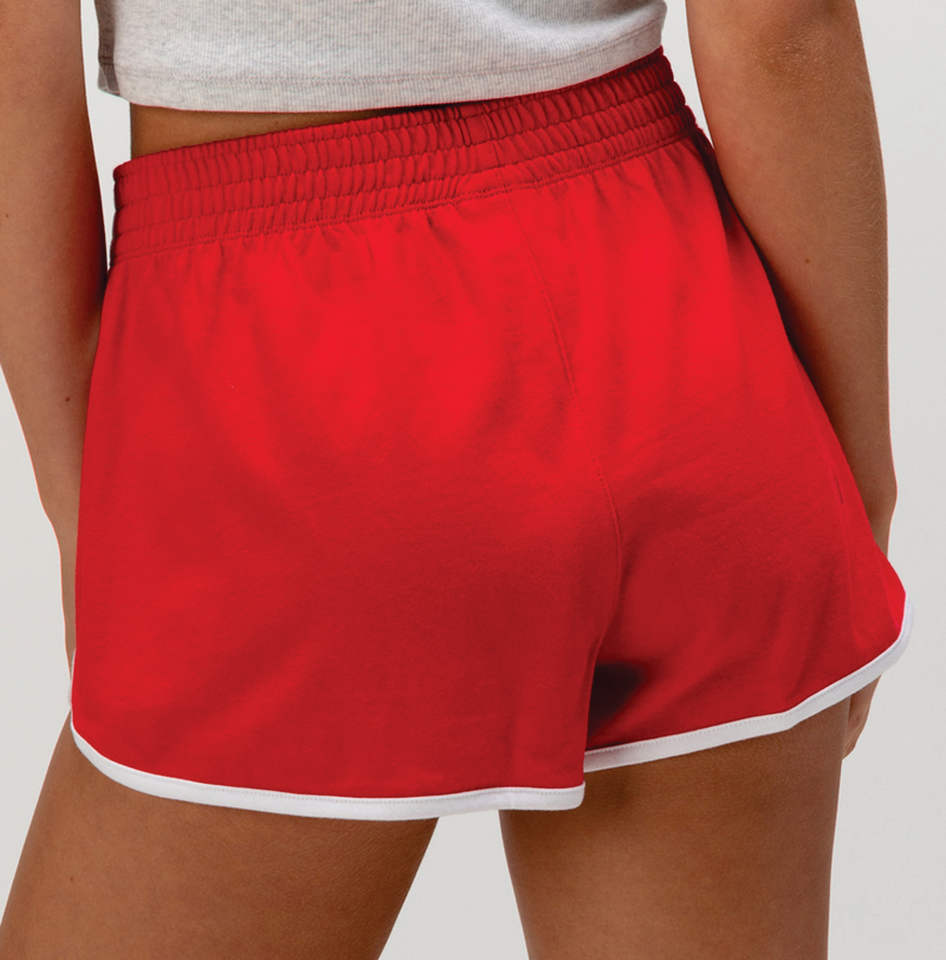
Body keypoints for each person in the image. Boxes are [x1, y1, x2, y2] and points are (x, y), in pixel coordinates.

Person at [0, 1, 914, 957]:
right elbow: (780, 26)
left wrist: (83, 503)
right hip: (682, 309)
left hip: (290, 365)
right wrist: (854, 470)